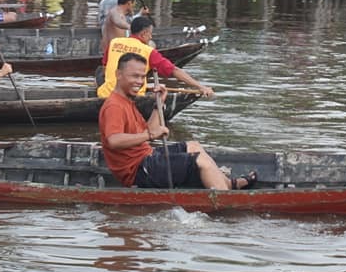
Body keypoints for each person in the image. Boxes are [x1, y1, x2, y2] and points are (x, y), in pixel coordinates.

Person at [98, 52, 253, 190]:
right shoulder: (114, 106)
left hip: (147, 156)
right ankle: (225, 199)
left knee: (193, 146)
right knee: (200, 161)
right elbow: (114, 140)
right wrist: (150, 135)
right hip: (138, 170)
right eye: (134, 76)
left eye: (142, 77)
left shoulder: (127, 101)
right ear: (118, 74)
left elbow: (147, 131)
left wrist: (159, 104)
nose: (139, 81)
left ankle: (227, 183)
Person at [97, 16, 215, 99]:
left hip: (104, 94)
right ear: (144, 33)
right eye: (150, 33)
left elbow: (105, 68)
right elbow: (174, 70)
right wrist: (201, 87)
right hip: (130, 97)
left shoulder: (115, 42)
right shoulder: (148, 51)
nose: (151, 37)